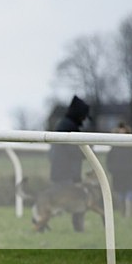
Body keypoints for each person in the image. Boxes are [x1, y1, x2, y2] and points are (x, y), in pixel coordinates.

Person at [49, 95, 90, 231]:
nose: (84, 119)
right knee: (75, 202)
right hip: (66, 174)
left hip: (61, 172)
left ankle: (41, 222)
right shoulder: (69, 127)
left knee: (61, 201)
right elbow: (75, 153)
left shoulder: (64, 124)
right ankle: (78, 227)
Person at [106, 122, 132, 218]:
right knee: (121, 197)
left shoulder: (131, 145)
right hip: (118, 176)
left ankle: (131, 215)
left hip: (129, 175)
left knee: (131, 196)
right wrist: (113, 169)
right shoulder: (114, 147)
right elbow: (109, 161)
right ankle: (123, 215)